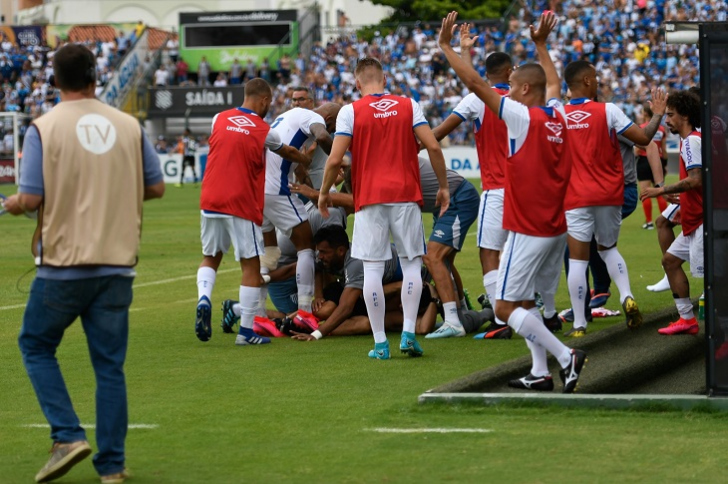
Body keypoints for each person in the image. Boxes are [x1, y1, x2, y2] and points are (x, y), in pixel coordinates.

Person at [2, 43, 164, 483]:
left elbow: (32, 197)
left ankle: (67, 434)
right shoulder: (128, 125)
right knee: (109, 367)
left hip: (64, 264)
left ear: (54, 81)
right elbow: (155, 187)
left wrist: (16, 204)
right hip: (117, 265)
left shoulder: (44, 127)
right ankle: (111, 466)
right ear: (96, 77)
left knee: (35, 345)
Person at [439, 11, 585, 392]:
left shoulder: (521, 118)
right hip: (556, 226)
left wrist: (447, 48)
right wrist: (540, 45)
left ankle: (566, 357)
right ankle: (540, 373)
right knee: (524, 301)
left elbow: (474, 82)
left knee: (504, 307)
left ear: (521, 91)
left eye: (514, 84)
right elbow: (552, 81)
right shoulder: (558, 114)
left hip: (528, 227)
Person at [318, 56, 450, 360]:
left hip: (369, 198)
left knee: (373, 270)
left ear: (357, 82)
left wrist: (324, 193)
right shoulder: (408, 105)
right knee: (412, 265)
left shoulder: (350, 111)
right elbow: (432, 146)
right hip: (405, 195)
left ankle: (380, 344)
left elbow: (335, 159)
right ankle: (407, 333)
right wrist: (442, 187)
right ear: (385, 79)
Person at [194, 78, 313, 345]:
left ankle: (204, 298)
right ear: (264, 101)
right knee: (250, 265)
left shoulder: (218, 118)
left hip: (210, 199)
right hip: (241, 202)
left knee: (210, 257)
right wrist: (306, 158)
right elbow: (289, 152)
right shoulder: (264, 130)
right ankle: (246, 333)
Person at [560, 59, 666, 337]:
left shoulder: (556, 114)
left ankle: (580, 324)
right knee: (608, 250)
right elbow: (644, 138)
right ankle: (626, 296)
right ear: (585, 81)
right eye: (594, 77)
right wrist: (656, 115)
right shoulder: (608, 110)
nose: (598, 81)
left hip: (575, 196)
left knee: (578, 260)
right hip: (609, 193)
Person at [430, 42, 514, 339]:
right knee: (516, 252)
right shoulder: (521, 99)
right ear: (509, 71)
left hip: (496, 189)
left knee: (489, 253)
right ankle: (542, 310)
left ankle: (501, 318)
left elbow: (438, 133)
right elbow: (471, 79)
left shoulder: (476, 100)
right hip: (527, 190)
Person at [258, 103, 340, 323]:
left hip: (258, 190)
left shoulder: (287, 117)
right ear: (330, 118)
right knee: (305, 247)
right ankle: (304, 312)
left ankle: (257, 314)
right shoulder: (315, 119)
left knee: (270, 251)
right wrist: (339, 156)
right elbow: (322, 136)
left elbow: (298, 165)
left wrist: (312, 183)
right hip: (276, 188)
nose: (331, 131)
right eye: (334, 127)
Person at [641, 90, 703, 335]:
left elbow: (695, 179)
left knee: (715, 278)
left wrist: (661, 190)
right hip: (694, 217)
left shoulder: (692, 141)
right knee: (670, 260)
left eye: (670, 115)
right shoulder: (693, 139)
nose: (667, 120)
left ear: (685, 115)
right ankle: (687, 319)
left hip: (701, 222)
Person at [636, 104, 669, 230]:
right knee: (660, 191)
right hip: (658, 161)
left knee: (645, 192)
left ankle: (649, 222)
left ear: (645, 114)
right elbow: (664, 149)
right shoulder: (661, 130)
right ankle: (665, 218)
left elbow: (637, 150)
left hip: (644, 161)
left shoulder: (641, 128)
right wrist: (664, 165)